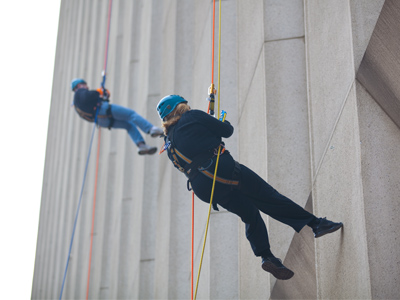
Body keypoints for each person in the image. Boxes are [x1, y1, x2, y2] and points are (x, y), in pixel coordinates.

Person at [156, 95, 343, 280]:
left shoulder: (168, 145)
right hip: (223, 170)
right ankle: (316, 224)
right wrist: (217, 123)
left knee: (250, 213)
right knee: (269, 197)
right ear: (181, 107)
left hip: (206, 189)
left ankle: (266, 256)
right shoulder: (192, 116)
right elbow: (226, 130)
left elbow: (192, 153)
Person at [71, 78, 164, 155]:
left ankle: (141, 145)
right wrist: (98, 92)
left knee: (129, 125)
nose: (87, 87)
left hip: (101, 121)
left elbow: (87, 113)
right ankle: (151, 129)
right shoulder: (80, 92)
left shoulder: (76, 107)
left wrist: (102, 96)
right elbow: (88, 96)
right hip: (103, 110)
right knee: (131, 114)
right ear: (79, 86)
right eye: (85, 85)